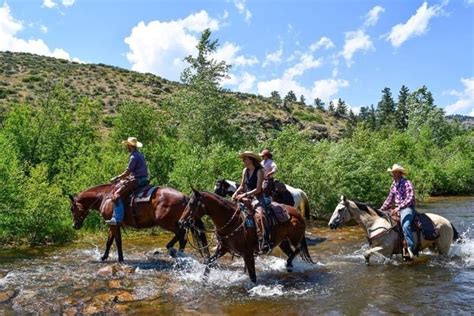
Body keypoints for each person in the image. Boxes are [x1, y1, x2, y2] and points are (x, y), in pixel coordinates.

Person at [232, 151, 270, 253]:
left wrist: (244, 194)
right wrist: (235, 193)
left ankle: (264, 239)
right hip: (247, 197)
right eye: (243, 159)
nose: (243, 161)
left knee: (260, 215)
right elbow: (242, 186)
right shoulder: (245, 170)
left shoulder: (259, 171)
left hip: (258, 197)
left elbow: (258, 189)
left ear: (250, 159)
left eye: (245, 159)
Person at [106, 137, 149, 226]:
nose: (126, 148)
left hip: (137, 180)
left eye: (127, 146)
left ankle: (117, 218)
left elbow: (127, 171)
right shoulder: (140, 155)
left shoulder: (133, 156)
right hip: (144, 179)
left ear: (130, 146)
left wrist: (116, 178)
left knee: (117, 195)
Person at [380, 164, 416, 259]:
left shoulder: (407, 183)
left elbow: (410, 197)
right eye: (393, 173)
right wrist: (381, 209)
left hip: (407, 208)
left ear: (400, 173)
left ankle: (410, 248)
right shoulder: (393, 184)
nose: (394, 174)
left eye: (396, 172)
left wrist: (399, 207)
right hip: (396, 208)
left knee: (405, 225)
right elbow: (390, 198)